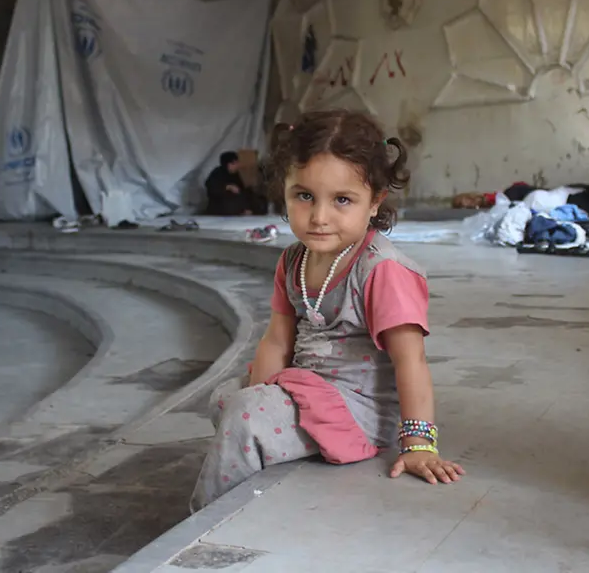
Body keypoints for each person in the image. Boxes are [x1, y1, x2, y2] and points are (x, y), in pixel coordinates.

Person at [190, 109, 465, 511]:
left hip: (360, 411)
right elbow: (277, 338)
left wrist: (419, 445)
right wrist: (258, 395)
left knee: (243, 418)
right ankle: (256, 457)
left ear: (375, 202)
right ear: (283, 191)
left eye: (342, 200)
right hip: (307, 387)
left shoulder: (382, 270)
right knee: (225, 398)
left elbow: (412, 362)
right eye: (304, 196)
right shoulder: (292, 261)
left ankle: (203, 520)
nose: (319, 217)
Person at [205, 151, 255, 216]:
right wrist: (227, 187)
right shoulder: (217, 173)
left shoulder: (235, 174)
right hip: (220, 205)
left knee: (250, 193)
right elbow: (211, 187)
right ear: (229, 164)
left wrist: (246, 207)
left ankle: (245, 210)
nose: (238, 165)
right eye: (236, 163)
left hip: (235, 203)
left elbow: (241, 190)